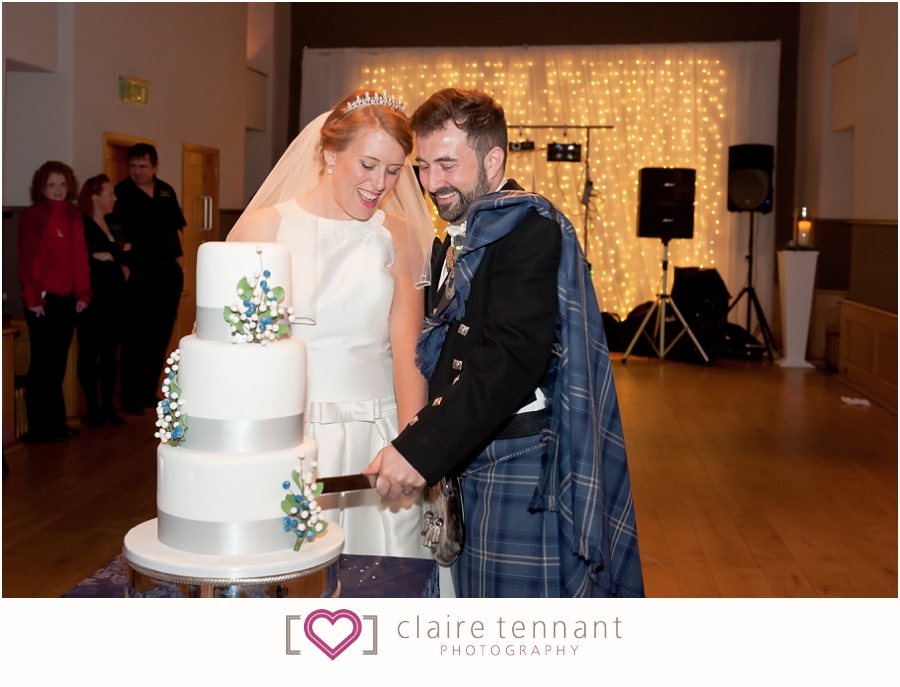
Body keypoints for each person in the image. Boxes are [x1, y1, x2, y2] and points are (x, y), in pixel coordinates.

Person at [368, 88, 645, 598]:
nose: (432, 183)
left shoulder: (528, 228)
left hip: (518, 467)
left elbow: (510, 359)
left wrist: (420, 449)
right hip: (469, 458)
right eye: (423, 166)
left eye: (447, 164)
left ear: (492, 160)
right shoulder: (457, 235)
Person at [228, 89, 435, 557]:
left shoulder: (395, 234)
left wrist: (412, 446)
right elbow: (233, 352)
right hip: (286, 430)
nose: (379, 183)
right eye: (367, 165)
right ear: (328, 152)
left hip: (375, 431)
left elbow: (408, 350)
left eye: (393, 170)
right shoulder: (263, 228)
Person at [17, 161, 92, 443]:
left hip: (67, 301)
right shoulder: (34, 216)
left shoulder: (74, 215)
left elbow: (80, 259)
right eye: (52, 185)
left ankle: (56, 425)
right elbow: (27, 260)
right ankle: (39, 428)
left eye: (62, 184)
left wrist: (83, 294)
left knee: (58, 364)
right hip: (42, 302)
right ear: (41, 187)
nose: (58, 190)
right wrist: (33, 298)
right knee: (42, 365)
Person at [113, 144, 186, 415]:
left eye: (142, 166)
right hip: (141, 272)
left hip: (169, 272)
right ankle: (129, 394)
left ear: (154, 167)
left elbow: (177, 229)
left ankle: (147, 390)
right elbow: (115, 233)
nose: (137, 172)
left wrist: (181, 267)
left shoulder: (166, 191)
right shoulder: (121, 193)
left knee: (161, 332)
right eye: (132, 166)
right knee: (135, 334)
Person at [76, 174, 130, 428]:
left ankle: (108, 405)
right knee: (90, 353)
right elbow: (87, 259)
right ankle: (93, 408)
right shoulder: (84, 225)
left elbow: (125, 252)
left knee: (110, 354)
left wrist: (113, 256)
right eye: (110, 194)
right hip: (93, 300)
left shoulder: (113, 224)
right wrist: (114, 256)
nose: (115, 198)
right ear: (95, 198)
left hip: (115, 298)